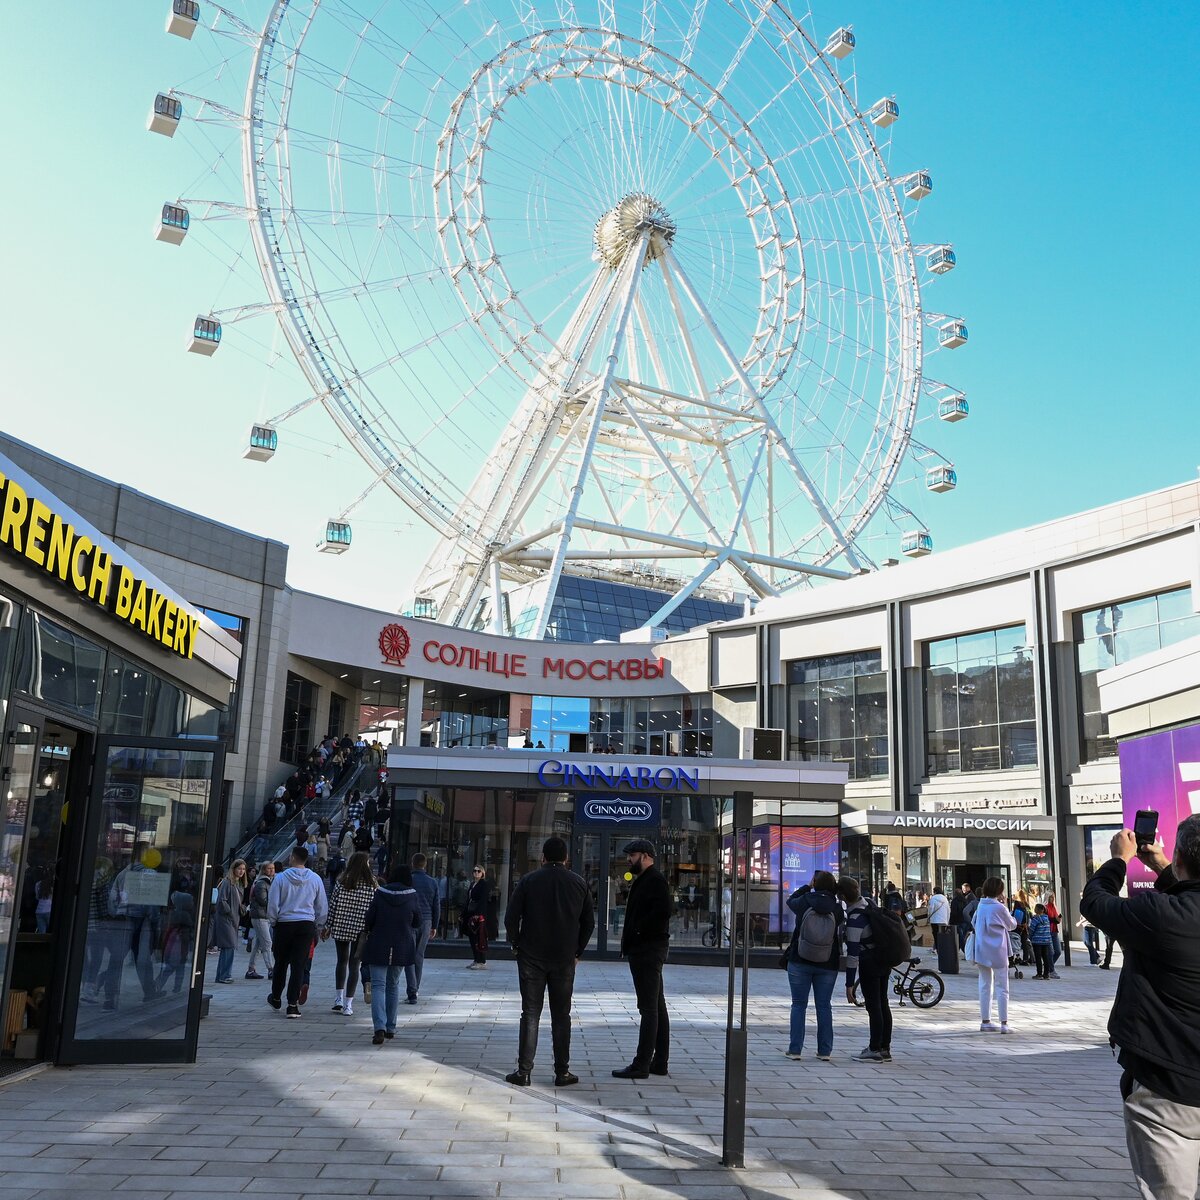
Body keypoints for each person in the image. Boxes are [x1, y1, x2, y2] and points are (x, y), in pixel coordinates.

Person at [1081, 820, 1200, 1200]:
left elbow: (1095, 901)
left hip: (1169, 1084)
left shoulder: (1160, 915)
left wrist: (1120, 860)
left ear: (1180, 857)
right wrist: (1166, 869)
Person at [503, 836, 595, 1087]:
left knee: (530, 1013)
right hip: (564, 958)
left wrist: (516, 945)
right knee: (561, 1015)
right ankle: (562, 1071)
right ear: (566, 858)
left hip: (531, 956)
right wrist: (578, 951)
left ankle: (524, 1071)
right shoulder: (579, 883)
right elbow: (589, 922)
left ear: (542, 857)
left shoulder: (528, 881)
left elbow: (511, 918)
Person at [612, 838, 672, 1079]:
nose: (629, 859)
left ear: (646, 855)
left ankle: (642, 1064)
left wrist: (638, 932)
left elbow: (664, 911)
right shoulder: (646, 879)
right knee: (657, 1006)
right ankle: (659, 1062)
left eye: (633, 854)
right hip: (646, 949)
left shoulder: (654, 880)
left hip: (647, 950)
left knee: (648, 1008)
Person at [783, 871, 842, 1062]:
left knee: (798, 1005)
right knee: (824, 1006)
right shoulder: (836, 907)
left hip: (800, 958)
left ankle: (795, 1050)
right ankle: (825, 1051)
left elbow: (790, 900)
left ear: (815, 883)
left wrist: (807, 887)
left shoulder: (804, 901)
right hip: (828, 961)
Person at [362, 863, 423, 1045]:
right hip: (401, 945)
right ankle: (390, 1027)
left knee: (378, 985)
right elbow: (417, 921)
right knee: (393, 985)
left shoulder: (380, 893)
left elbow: (369, 918)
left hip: (378, 944)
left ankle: (378, 1028)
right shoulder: (412, 895)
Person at [267, 846, 328, 1018]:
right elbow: (321, 905)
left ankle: (276, 997)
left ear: (292, 858)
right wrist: (319, 924)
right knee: (298, 965)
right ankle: (292, 1005)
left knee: (281, 962)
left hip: (285, 923)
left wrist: (273, 921)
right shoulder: (315, 879)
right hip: (306, 924)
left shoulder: (280, 878)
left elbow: (273, 903)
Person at [838, 876, 892, 1062]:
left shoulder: (854, 918)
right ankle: (885, 1047)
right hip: (883, 958)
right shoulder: (869, 904)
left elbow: (853, 954)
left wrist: (849, 984)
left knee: (873, 1006)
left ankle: (874, 1048)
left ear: (843, 896)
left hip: (869, 962)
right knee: (883, 1003)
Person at [322, 851, 377, 1017]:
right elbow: (375, 909)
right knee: (355, 965)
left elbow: (333, 904)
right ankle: (348, 1004)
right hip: (361, 929)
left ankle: (338, 999)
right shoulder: (372, 884)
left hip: (341, 925)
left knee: (341, 961)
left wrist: (328, 926)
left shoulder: (342, 880)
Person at [973, 876, 1016, 1033]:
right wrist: (1005, 905)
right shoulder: (999, 907)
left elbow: (973, 922)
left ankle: (985, 1021)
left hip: (982, 949)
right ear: (999, 891)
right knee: (1002, 986)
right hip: (998, 949)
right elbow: (1012, 925)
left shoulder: (981, 906)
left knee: (984, 984)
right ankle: (1004, 1022)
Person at [406, 853, 441, 1004]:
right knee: (419, 956)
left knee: (408, 955)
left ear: (412, 863)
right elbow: (436, 905)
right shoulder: (432, 882)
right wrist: (435, 925)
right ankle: (416, 988)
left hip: (410, 920)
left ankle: (412, 990)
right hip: (426, 920)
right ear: (425, 865)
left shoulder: (408, 880)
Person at [212, 860, 247, 984]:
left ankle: (221, 975)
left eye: (243, 869)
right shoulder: (227, 882)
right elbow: (222, 900)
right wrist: (230, 912)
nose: (242, 871)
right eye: (239, 869)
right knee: (229, 946)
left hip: (233, 919)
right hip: (226, 919)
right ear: (233, 869)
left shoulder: (239, 884)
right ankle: (224, 975)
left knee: (228, 947)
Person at [246, 861, 274, 980]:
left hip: (264, 916)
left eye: (273, 868)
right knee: (267, 943)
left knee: (258, 944)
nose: (272, 870)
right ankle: (271, 969)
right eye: (269, 869)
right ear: (263, 870)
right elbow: (263, 900)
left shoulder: (268, 882)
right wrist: (275, 906)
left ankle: (251, 969)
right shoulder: (262, 883)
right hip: (260, 916)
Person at [463, 865, 490, 969]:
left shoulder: (484, 884)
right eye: (474, 871)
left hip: (478, 914)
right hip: (470, 912)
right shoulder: (472, 884)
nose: (476, 873)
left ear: (482, 873)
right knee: (472, 937)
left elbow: (483, 900)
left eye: (479, 871)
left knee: (479, 937)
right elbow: (469, 899)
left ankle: (481, 961)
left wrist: (478, 914)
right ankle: (476, 959)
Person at [1028, 903, 1054, 980]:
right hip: (1046, 940)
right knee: (1045, 957)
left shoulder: (1035, 919)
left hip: (1037, 941)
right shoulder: (1046, 918)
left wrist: (1029, 937)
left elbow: (1032, 929)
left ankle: (1039, 974)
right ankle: (1046, 974)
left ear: (1037, 910)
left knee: (1038, 957)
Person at [1044, 893, 1063, 978]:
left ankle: (1048, 966)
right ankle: (1051, 970)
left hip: (1054, 930)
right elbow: (1045, 918)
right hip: (1048, 931)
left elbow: (1056, 918)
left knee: (1058, 951)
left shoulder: (1054, 907)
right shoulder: (1045, 907)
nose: (1052, 899)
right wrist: (1054, 919)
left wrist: (1058, 919)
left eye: (1053, 897)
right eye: (1050, 897)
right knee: (1050, 952)